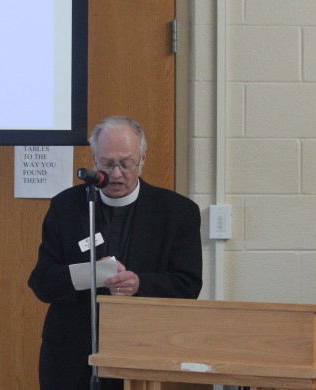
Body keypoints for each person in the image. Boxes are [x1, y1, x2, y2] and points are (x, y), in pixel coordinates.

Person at [28, 115, 203, 390]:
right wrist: (87, 275)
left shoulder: (177, 212)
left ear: (142, 159)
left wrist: (139, 284)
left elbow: (188, 284)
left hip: (141, 349)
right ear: (94, 158)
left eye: (126, 163)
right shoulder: (66, 207)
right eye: (108, 163)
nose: (117, 173)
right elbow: (42, 282)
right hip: (70, 352)